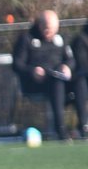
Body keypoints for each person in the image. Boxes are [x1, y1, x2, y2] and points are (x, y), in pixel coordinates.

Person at [12, 9, 87, 140]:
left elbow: (70, 60)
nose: (49, 32)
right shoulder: (26, 39)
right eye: (46, 28)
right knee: (56, 82)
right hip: (36, 83)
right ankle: (61, 130)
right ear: (40, 25)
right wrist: (32, 71)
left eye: (52, 29)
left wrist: (67, 67)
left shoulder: (60, 39)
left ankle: (84, 126)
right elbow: (17, 64)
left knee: (79, 81)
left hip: (59, 80)